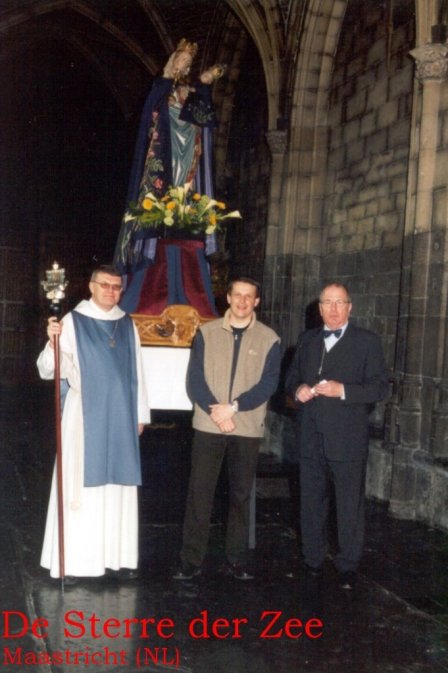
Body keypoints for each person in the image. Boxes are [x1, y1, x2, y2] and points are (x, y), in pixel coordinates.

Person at [37, 265, 150, 582]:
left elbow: (137, 372)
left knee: (118, 485)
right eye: (105, 285)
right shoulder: (72, 321)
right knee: (81, 485)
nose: (111, 291)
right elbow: (48, 370)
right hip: (83, 415)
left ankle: (116, 556)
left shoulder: (127, 324)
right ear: (91, 286)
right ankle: (75, 562)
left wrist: (140, 414)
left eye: (117, 286)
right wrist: (52, 342)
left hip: (121, 417)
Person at [173, 277, 281, 581]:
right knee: (200, 491)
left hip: (245, 426)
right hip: (209, 423)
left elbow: (268, 384)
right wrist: (217, 412)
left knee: (240, 494)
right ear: (228, 298)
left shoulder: (269, 338)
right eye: (238, 295)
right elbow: (195, 380)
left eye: (249, 297)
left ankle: (236, 558)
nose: (243, 302)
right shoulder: (205, 333)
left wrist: (232, 408)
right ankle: (191, 559)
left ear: (256, 302)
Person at [285, 283, 389, 590]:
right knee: (311, 500)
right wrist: (298, 391)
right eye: (327, 303)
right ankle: (312, 558)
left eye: (339, 303)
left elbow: (380, 388)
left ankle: (347, 563)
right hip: (309, 436)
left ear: (349, 307)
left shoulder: (367, 342)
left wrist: (343, 390)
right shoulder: (306, 340)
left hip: (347, 438)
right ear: (319, 309)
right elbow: (290, 381)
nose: (332, 309)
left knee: (348, 504)